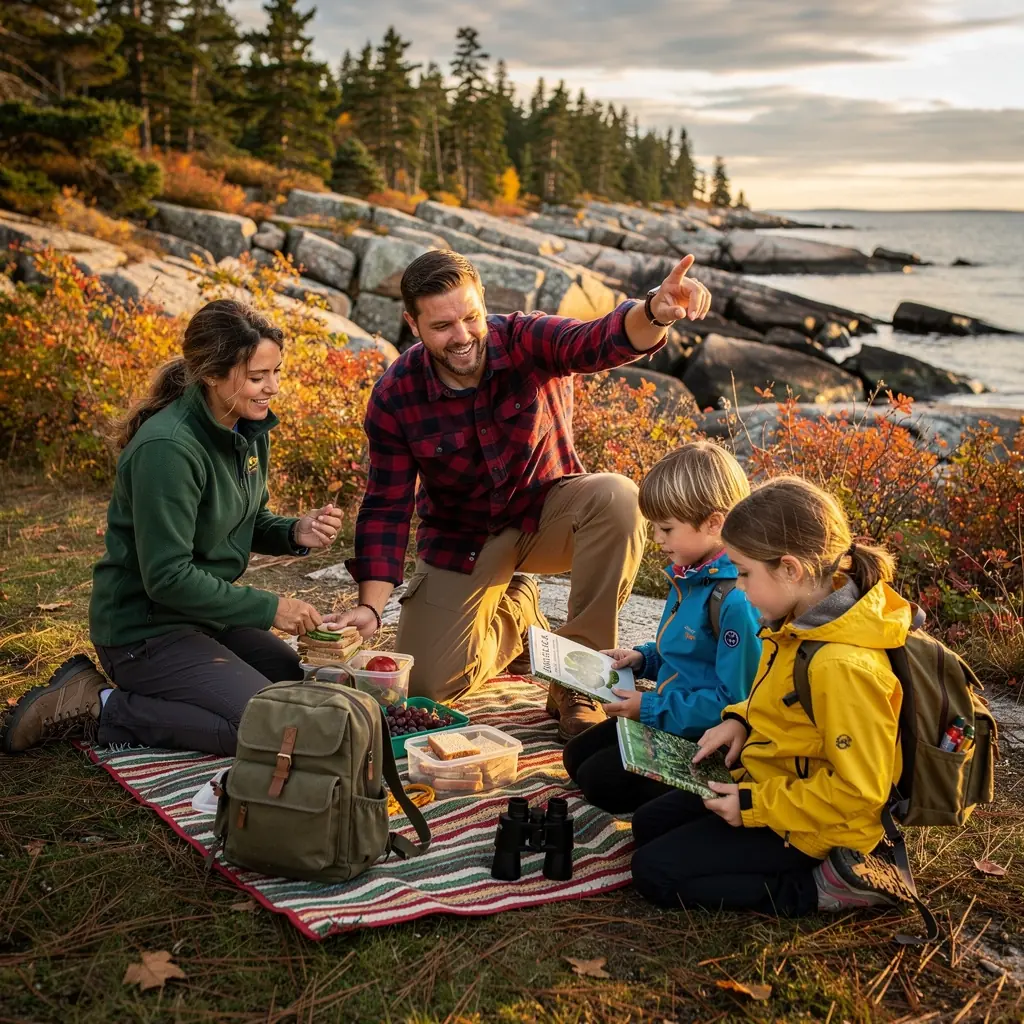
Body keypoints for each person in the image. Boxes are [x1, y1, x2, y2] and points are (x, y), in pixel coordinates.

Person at [327, 249, 713, 740]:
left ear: (482, 300)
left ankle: (579, 681)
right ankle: (518, 619)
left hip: (546, 515)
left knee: (617, 497)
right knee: (426, 685)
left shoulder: (526, 337)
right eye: (443, 326)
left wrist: (655, 311)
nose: (463, 336)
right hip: (462, 539)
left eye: (470, 316)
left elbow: (599, 341)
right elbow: (386, 506)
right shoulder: (395, 394)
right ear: (412, 323)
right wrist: (371, 607)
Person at [1, 299, 341, 757]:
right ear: (212, 375)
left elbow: (244, 517)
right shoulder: (168, 449)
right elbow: (167, 578)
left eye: (276, 372)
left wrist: (293, 531)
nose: (273, 388)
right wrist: (270, 607)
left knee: (301, 691)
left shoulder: (246, 429)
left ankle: (179, 690)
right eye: (258, 378)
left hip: (206, 617)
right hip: (143, 631)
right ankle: (99, 705)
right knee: (271, 729)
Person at [630, 476, 917, 916]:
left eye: (744, 572)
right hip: (770, 780)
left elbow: (861, 792)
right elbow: (778, 698)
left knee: (654, 872)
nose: (739, 587)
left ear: (790, 569)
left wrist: (754, 807)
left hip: (817, 825)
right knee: (648, 825)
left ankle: (824, 886)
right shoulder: (797, 618)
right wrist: (740, 719)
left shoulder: (841, 666)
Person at [562, 442, 762, 812]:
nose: (657, 539)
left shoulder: (735, 600)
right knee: (576, 757)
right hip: (669, 715)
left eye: (666, 528)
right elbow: (689, 653)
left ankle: (692, 797)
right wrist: (642, 659)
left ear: (714, 523)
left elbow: (736, 703)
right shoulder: (689, 574)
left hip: (702, 736)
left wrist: (651, 709)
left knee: (598, 781)